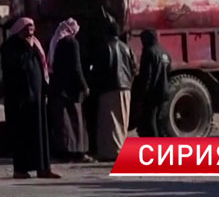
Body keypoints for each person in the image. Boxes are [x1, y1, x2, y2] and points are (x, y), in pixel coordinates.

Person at [2, 18, 57, 179]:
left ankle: (43, 168)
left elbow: (42, 65)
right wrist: (28, 48)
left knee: (40, 133)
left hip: (37, 98)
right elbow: (16, 66)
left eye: (32, 29)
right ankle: (20, 169)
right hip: (19, 99)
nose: (30, 33)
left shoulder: (35, 44)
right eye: (27, 29)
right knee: (21, 134)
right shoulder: (10, 46)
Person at [90, 21, 136, 161]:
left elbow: (98, 70)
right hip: (125, 87)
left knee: (109, 122)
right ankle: (121, 149)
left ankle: (112, 152)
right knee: (122, 120)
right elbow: (133, 68)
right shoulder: (126, 48)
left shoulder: (104, 48)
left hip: (109, 88)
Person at [47, 18, 91, 161]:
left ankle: (64, 152)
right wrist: (84, 86)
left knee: (64, 123)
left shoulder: (56, 41)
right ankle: (78, 152)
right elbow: (76, 68)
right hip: (71, 90)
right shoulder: (72, 43)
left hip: (58, 88)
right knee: (76, 121)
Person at [131, 30, 172, 137]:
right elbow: (168, 71)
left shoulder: (149, 52)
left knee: (150, 121)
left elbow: (147, 77)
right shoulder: (165, 52)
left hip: (152, 93)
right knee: (159, 121)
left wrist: (141, 95)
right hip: (164, 91)